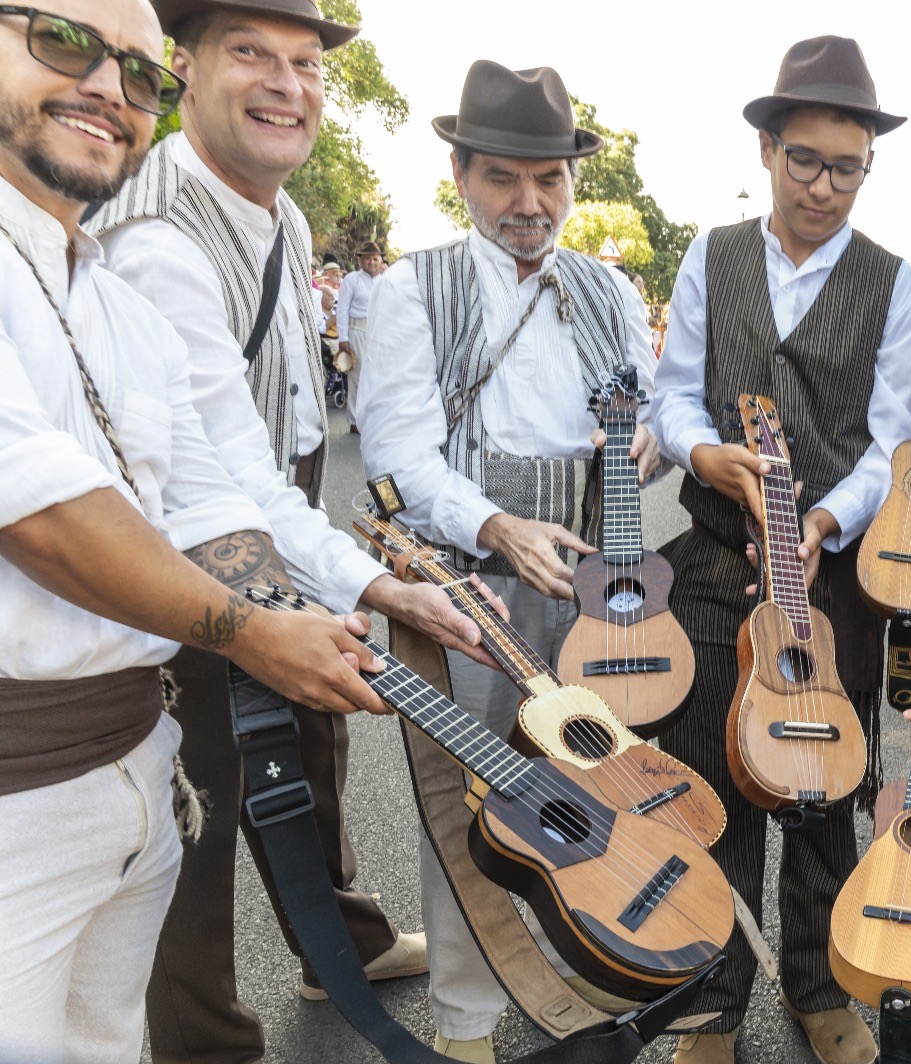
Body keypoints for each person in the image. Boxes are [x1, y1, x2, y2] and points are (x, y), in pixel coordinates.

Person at [89, 3, 489, 1060]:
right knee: (209, 787)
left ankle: (338, 941)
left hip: (279, 494)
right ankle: (204, 1032)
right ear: (184, 66)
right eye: (250, 53)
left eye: (304, 62)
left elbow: (286, 423)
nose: (286, 83)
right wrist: (370, 585)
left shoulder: (280, 209)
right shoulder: (159, 237)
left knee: (311, 739)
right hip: (182, 536)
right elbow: (224, 474)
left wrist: (342, 571)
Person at [0, 0, 394, 1057]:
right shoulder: (148, 244)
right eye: (62, 42)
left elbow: (212, 491)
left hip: (131, 763)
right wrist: (259, 627)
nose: (106, 89)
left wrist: (321, 606)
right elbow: (43, 512)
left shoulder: (106, 292)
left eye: (133, 74)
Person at [357, 60, 660, 1063]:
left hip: (598, 572)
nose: (530, 204)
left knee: (594, 781)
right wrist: (495, 527)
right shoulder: (413, 287)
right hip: (467, 574)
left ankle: (575, 957)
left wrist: (644, 439)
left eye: (550, 180)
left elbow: (642, 398)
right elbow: (397, 451)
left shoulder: (609, 284)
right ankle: (466, 1015)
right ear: (460, 173)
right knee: (476, 802)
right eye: (503, 179)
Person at [651, 35, 911, 1064]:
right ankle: (713, 1002)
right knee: (710, 777)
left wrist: (821, 523)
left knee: (821, 788)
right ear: (766, 150)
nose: (822, 185)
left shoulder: (894, 282)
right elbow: (673, 390)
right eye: (803, 159)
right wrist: (705, 451)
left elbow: (892, 439)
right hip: (717, 553)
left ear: (868, 168)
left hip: (832, 574)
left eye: (845, 166)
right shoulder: (711, 254)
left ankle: (818, 986)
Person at [337, 239, 382, 428]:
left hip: (379, 332)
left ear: (380, 260)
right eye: (367, 259)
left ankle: (373, 417)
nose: (371, 262)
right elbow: (342, 309)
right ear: (360, 261)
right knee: (357, 376)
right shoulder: (352, 280)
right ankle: (355, 420)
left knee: (377, 375)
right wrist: (343, 338)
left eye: (374, 259)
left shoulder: (384, 281)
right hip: (357, 331)